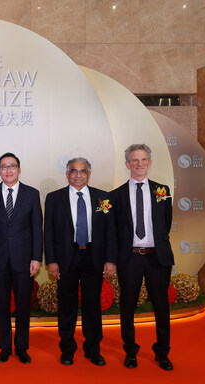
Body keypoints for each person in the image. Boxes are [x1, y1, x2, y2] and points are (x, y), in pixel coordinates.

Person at [44, 157, 116, 367]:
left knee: (92, 305)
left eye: (83, 171)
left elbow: (110, 231)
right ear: (67, 174)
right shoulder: (54, 198)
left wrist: (111, 259)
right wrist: (52, 261)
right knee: (66, 305)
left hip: (93, 257)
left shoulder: (103, 198)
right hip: (66, 258)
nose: (78, 175)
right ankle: (67, 349)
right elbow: (48, 232)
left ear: (89, 174)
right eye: (74, 171)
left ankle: (93, 349)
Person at [109, 144, 174, 371]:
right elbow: (113, 230)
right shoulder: (116, 195)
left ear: (150, 162)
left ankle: (162, 353)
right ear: (127, 164)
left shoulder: (162, 191)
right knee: (127, 306)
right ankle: (130, 351)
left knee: (161, 307)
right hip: (130, 258)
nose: (139, 164)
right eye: (135, 160)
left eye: (143, 159)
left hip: (158, 259)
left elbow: (166, 223)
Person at [0, 152, 42, 364]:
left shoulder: (32, 194)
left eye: (12, 166)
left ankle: (22, 347)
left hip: (24, 259)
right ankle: (5, 346)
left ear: (19, 169)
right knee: (2, 304)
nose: (8, 170)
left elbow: (37, 228)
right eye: (4, 167)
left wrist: (36, 257)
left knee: (23, 305)